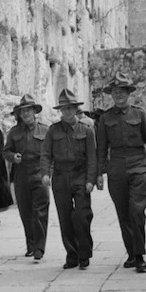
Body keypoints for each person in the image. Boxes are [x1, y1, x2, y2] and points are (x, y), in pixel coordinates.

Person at [96, 73, 146, 274]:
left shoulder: (139, 115)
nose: (119, 95)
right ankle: (131, 253)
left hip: (138, 167)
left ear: (128, 94)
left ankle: (140, 256)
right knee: (123, 213)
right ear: (112, 95)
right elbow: (101, 149)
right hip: (116, 169)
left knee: (137, 211)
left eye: (122, 91)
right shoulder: (105, 119)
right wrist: (99, 173)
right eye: (115, 92)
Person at [40, 88, 96, 270]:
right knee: (65, 218)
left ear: (76, 109)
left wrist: (90, 179)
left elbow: (92, 157)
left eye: (70, 108)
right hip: (61, 178)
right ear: (60, 111)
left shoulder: (86, 130)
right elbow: (46, 154)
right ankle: (72, 254)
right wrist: (45, 173)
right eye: (64, 109)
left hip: (80, 176)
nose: (67, 112)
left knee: (81, 215)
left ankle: (84, 254)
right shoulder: (53, 130)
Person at [3, 95, 50, 260]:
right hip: (21, 173)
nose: (26, 114)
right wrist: (12, 156)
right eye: (22, 111)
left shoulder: (45, 130)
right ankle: (30, 244)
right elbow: (6, 151)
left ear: (34, 112)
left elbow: (52, 153)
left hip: (39, 172)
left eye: (28, 110)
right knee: (25, 211)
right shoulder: (14, 132)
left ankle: (39, 247)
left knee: (40, 211)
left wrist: (49, 173)